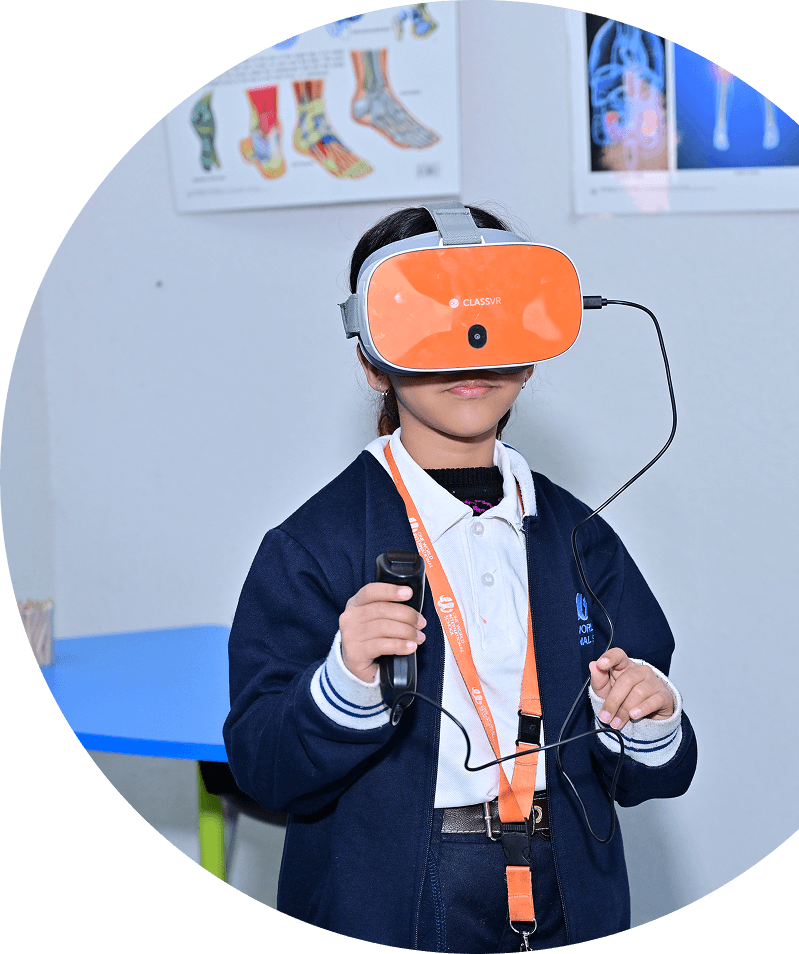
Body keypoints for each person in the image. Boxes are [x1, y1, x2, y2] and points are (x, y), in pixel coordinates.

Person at [223, 204, 697, 950]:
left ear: (532, 350)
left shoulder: (581, 537)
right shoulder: (312, 547)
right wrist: (345, 682)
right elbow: (263, 768)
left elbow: (652, 775)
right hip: (392, 897)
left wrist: (650, 717)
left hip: (569, 888)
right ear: (373, 358)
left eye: (493, 322)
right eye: (428, 325)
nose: (469, 352)